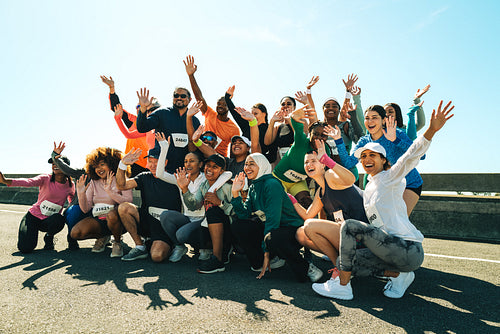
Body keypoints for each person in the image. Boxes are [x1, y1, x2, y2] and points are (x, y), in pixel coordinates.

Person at [311, 100, 454, 300]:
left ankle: (342, 287)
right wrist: (335, 143)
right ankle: (400, 276)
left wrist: (431, 130)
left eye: (373, 156)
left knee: (350, 226)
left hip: (407, 249)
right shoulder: (369, 185)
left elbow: (411, 156)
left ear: (384, 160)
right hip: (388, 250)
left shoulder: (391, 176)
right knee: (352, 261)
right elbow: (349, 162)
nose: (367, 159)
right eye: (365, 157)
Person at [231, 153, 323, 282]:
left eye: (252, 164)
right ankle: (262, 261)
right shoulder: (253, 187)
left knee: (273, 237)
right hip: (273, 229)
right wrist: (236, 194)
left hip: (291, 229)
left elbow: (273, 219)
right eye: (246, 164)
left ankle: (306, 267)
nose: (247, 167)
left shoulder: (271, 184)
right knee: (239, 225)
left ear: (262, 165)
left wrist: (266, 252)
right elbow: (244, 215)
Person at [155, 133, 231, 262]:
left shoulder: (206, 178)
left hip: (203, 221)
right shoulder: (181, 178)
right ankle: (180, 247)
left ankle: (205, 248)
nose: (188, 164)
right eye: (185, 161)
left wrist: (209, 189)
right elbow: (160, 174)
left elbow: (227, 174)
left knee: (182, 234)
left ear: (200, 164)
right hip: (187, 218)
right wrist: (164, 148)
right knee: (165, 216)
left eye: (192, 161)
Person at [334, 104, 423, 215]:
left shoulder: (396, 133)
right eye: (367, 118)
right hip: (385, 186)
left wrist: (395, 140)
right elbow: (349, 163)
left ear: (384, 120)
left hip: (409, 183)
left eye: (374, 117)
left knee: (400, 219)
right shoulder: (364, 142)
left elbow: (421, 155)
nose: (370, 121)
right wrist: (338, 140)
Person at [292, 139, 367, 270]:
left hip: (363, 235)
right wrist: (291, 199)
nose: (309, 164)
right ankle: (338, 264)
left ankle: (341, 268)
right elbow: (308, 215)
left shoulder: (330, 175)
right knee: (300, 233)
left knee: (309, 226)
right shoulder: (320, 192)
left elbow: (351, 179)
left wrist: (328, 161)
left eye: (313, 161)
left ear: (322, 165)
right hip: (346, 234)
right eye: (306, 162)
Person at [115, 144, 182, 262]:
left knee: (157, 256)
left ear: (165, 162)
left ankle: (168, 245)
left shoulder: (175, 178)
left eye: (156, 162)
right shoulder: (144, 177)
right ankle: (140, 246)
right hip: (147, 222)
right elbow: (121, 185)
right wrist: (122, 165)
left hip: (165, 228)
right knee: (123, 208)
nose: (152, 165)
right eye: (150, 161)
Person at [0, 156, 74, 253]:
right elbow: (28, 182)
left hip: (50, 220)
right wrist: (6, 181)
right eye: (53, 164)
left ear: (66, 167)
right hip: (33, 217)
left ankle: (49, 237)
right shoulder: (45, 178)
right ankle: (27, 229)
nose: (54, 166)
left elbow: (72, 202)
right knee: (25, 248)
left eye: (57, 163)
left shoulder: (70, 185)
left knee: (59, 219)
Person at [176, 154, 235, 273]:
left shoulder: (229, 186)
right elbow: (194, 205)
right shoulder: (204, 185)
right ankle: (217, 251)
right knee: (197, 230)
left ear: (222, 171)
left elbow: (237, 212)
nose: (210, 169)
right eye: (208, 166)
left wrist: (220, 202)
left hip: (231, 228)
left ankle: (217, 259)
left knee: (213, 211)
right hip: (210, 226)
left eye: (215, 167)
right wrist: (184, 189)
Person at [70, 147, 133, 257]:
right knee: (75, 233)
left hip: (118, 221)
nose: (99, 169)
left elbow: (128, 201)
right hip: (99, 219)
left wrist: (110, 192)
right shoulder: (94, 182)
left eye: (102, 164)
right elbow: (86, 209)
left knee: (111, 215)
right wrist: (81, 193)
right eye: (95, 167)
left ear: (111, 163)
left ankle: (117, 242)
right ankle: (103, 236)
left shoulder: (122, 178)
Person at [272, 105, 333, 209]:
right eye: (316, 134)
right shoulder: (301, 141)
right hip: (279, 179)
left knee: (307, 203)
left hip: (298, 182)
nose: (318, 138)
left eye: (323, 135)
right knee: (280, 204)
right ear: (310, 133)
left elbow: (323, 173)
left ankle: (306, 224)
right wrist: (294, 117)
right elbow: (298, 129)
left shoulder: (325, 150)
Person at [184, 55, 240, 156]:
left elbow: (233, 152)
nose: (220, 106)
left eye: (224, 104)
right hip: (201, 154)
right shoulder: (209, 113)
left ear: (229, 107)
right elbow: (199, 97)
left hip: (218, 159)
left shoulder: (233, 129)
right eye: (219, 104)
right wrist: (191, 75)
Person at [136, 85, 200, 173]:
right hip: (163, 170)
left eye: (183, 96)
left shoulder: (195, 121)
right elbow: (142, 128)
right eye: (176, 95)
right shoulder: (161, 113)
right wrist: (142, 109)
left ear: (190, 99)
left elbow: (196, 148)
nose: (179, 98)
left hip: (184, 172)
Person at [101, 75, 151, 177]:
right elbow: (116, 107)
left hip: (146, 165)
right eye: (138, 106)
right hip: (130, 162)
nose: (139, 108)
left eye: (142, 106)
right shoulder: (133, 120)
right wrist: (112, 88)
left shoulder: (152, 124)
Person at [225, 85, 277, 163]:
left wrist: (258, 161)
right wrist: (227, 98)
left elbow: (273, 155)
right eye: (251, 114)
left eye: (255, 113)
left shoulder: (270, 129)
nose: (253, 116)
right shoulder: (247, 125)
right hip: (241, 162)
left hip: (258, 163)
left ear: (264, 114)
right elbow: (234, 112)